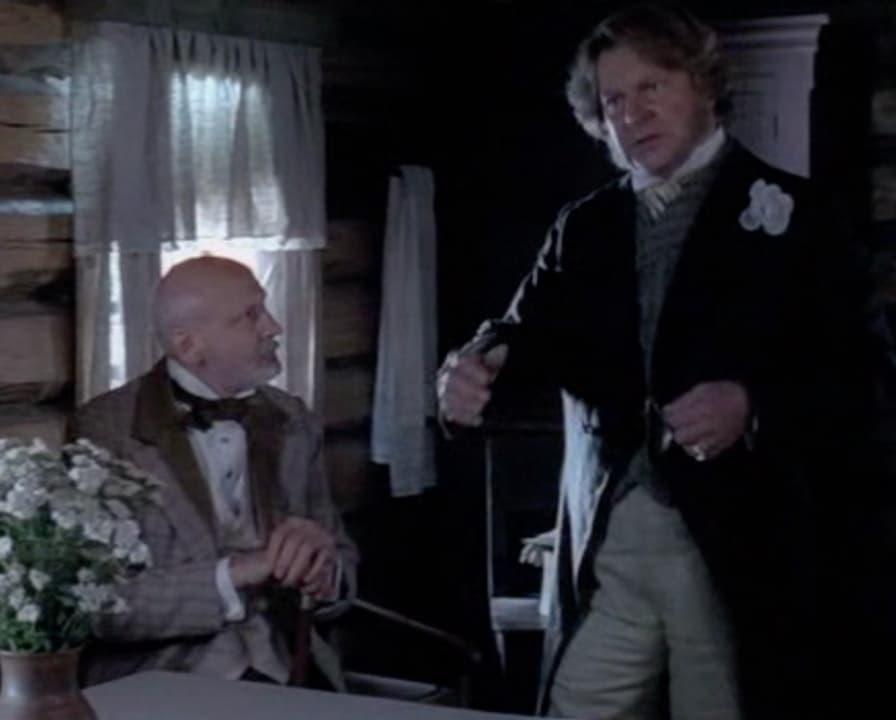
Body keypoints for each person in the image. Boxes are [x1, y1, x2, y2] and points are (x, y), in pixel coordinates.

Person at [437, 5, 884, 719]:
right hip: (611, 532)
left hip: (739, 541)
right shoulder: (585, 226)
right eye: (613, 99)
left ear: (702, 85)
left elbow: (861, 374)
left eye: (653, 86)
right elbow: (524, 334)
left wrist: (751, 404)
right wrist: (471, 366)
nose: (633, 114)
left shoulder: (801, 218)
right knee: (575, 705)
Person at [73, 256, 358, 689]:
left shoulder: (293, 421)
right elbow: (100, 603)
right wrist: (237, 573)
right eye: (251, 315)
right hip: (166, 679)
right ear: (189, 346)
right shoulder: (107, 432)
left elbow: (341, 560)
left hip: (291, 667)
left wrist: (323, 570)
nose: (274, 327)